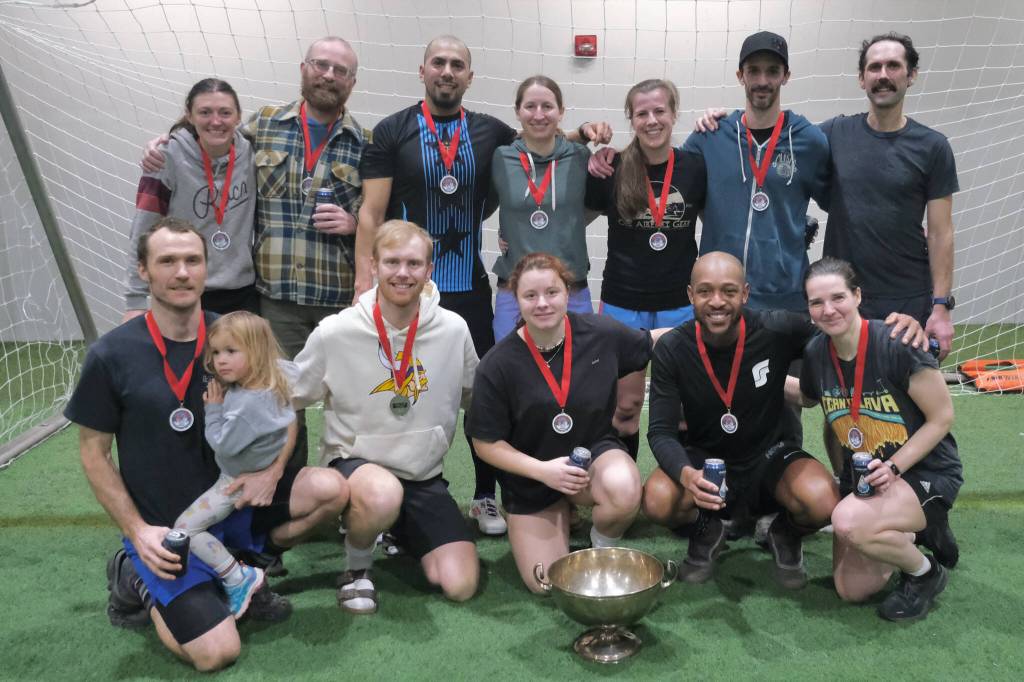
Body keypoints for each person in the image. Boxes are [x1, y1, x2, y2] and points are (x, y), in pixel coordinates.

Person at [66, 219, 348, 672]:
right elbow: (92, 453)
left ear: (206, 268)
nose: (182, 272)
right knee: (218, 653)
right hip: (171, 527)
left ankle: (244, 567)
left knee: (331, 489)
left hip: (233, 498)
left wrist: (272, 472)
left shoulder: (236, 334)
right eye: (167, 261)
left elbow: (286, 405)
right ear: (144, 271)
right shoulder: (112, 354)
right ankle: (132, 570)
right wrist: (140, 531)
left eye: (192, 260)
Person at [355, 35, 611, 534]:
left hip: (470, 285)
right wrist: (364, 281)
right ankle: (384, 500)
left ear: (470, 77)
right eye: (439, 63)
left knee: (485, 395)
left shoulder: (490, 133)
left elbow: (543, 144)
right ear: (422, 69)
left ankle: (485, 494)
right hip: (403, 287)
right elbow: (370, 212)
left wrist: (584, 132)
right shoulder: (392, 130)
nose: (447, 71)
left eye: (458, 64)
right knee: (391, 390)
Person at [143, 36, 367, 473]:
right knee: (276, 400)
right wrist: (167, 140)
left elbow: (376, 210)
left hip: (337, 297)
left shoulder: (365, 142)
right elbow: (212, 136)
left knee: (349, 397)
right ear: (303, 68)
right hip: (274, 299)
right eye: (321, 65)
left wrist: (355, 223)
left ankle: (349, 488)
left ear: (352, 83)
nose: (328, 75)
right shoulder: (262, 125)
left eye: (340, 70)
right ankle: (287, 490)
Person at [291, 220, 479, 612]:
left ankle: (398, 529)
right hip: (356, 468)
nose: (403, 273)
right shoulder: (335, 332)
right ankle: (356, 569)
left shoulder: (453, 330)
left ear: (429, 270)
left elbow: (476, 399)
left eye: (414, 264)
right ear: (373, 265)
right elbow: (290, 397)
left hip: (421, 476)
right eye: (392, 262)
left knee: (460, 584)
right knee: (381, 494)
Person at [644, 251, 839, 589]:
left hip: (770, 456)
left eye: (729, 291)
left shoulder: (777, 329)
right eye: (705, 291)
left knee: (823, 501)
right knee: (657, 500)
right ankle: (709, 528)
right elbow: (661, 432)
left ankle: (784, 533)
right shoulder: (673, 348)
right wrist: (688, 475)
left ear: (745, 294)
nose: (716, 301)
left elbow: (838, 333)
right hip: (707, 462)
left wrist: (893, 330)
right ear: (691, 295)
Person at [468, 253, 659, 593]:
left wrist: (718, 326)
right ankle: (551, 513)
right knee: (546, 582)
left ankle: (600, 543)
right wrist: (543, 471)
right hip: (532, 477)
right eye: (530, 296)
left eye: (552, 292)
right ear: (517, 299)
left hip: (591, 460)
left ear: (567, 293)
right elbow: (485, 443)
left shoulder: (600, 334)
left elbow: (653, 341)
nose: (542, 303)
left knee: (624, 486)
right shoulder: (498, 365)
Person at [797, 257, 962, 621]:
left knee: (849, 521)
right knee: (851, 590)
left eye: (838, 297)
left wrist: (894, 466)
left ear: (857, 295)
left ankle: (925, 573)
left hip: (923, 471)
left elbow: (941, 418)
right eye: (816, 302)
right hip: (870, 479)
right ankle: (918, 532)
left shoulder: (898, 342)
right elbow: (808, 397)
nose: (828, 310)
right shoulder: (815, 353)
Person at [584, 78, 708, 461]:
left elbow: (720, 221)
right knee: (625, 407)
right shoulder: (611, 168)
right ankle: (625, 489)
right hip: (624, 302)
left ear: (673, 114)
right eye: (642, 113)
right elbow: (572, 222)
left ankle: (688, 495)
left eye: (659, 111)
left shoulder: (694, 167)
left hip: (680, 302)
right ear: (631, 119)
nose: (652, 120)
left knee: (688, 406)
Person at [820, 32, 958, 359]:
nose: (883, 75)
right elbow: (780, 140)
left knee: (910, 404)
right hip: (846, 298)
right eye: (875, 67)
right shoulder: (834, 134)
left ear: (910, 76)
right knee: (847, 403)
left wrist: (940, 307)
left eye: (893, 66)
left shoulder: (933, 146)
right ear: (861, 79)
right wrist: (726, 122)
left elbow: (940, 233)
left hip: (909, 297)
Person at [678, 31, 830, 312]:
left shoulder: (809, 140)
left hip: (785, 297)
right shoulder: (710, 135)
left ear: (786, 76)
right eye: (754, 71)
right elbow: (673, 182)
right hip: (720, 298)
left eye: (772, 71)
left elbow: (837, 201)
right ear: (740, 76)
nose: (762, 81)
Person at [172, 311, 298, 619]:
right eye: (215, 352)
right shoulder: (277, 373)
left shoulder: (245, 407)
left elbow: (221, 443)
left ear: (256, 352)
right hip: (258, 466)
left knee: (185, 530)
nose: (220, 361)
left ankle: (237, 577)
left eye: (231, 351)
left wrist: (213, 410)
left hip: (231, 482)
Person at [126, 78, 258, 320]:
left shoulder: (252, 152)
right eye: (205, 112)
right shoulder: (165, 158)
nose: (216, 121)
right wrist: (135, 300)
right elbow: (143, 230)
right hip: (184, 290)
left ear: (239, 117)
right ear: (190, 115)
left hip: (243, 293)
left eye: (225, 112)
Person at [490, 75, 595, 341]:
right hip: (514, 292)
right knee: (511, 374)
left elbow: (601, 205)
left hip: (571, 291)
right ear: (517, 112)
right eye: (530, 106)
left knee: (577, 373)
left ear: (561, 111)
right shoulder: (501, 157)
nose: (539, 115)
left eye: (547, 106)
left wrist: (570, 224)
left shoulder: (581, 157)